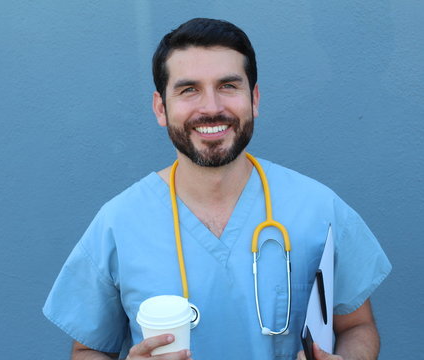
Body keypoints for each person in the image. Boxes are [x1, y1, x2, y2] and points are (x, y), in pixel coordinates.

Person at [43, 18, 391, 360]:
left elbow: (357, 328)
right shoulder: (118, 224)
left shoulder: (317, 208)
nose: (211, 107)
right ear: (160, 108)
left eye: (228, 86)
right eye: (189, 89)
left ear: (254, 99)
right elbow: (87, 349)